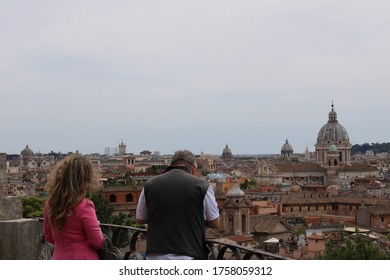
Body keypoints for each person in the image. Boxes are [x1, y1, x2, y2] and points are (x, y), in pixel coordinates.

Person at [136, 149, 220, 260]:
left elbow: (140, 219)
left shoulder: (149, 184)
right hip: (188, 254)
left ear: (171, 164)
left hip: (155, 255)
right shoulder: (203, 186)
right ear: (193, 169)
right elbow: (215, 223)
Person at [43, 154, 104, 260]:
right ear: (85, 179)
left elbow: (49, 237)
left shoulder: (50, 204)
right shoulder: (85, 205)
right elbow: (98, 242)